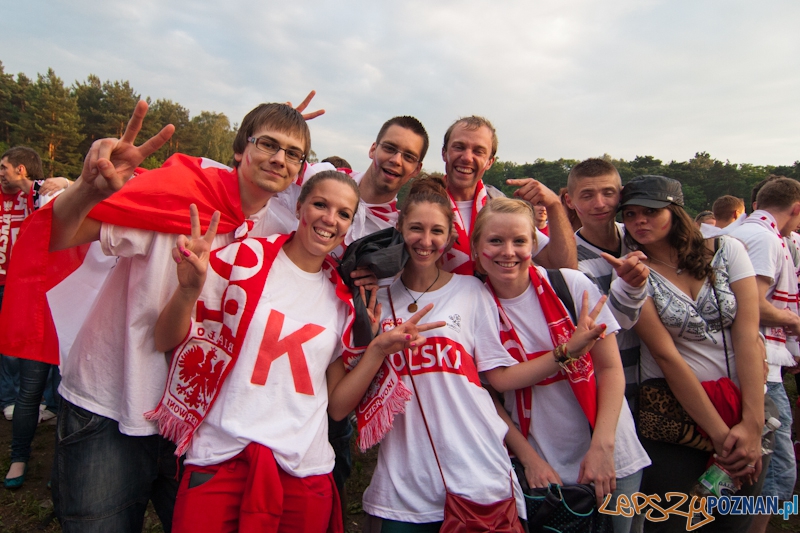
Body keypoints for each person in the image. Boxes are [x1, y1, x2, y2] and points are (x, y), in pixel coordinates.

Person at [0, 99, 324, 531]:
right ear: (239, 149)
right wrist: (89, 189)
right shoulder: (180, 195)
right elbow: (57, 237)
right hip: (110, 406)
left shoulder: (282, 230)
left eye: (293, 152)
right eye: (268, 143)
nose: (279, 158)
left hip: (196, 423)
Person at [149, 171, 436, 532]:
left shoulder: (342, 300)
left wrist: (376, 350)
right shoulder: (242, 259)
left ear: (350, 225)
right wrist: (189, 290)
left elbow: (337, 406)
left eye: (343, 214)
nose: (330, 219)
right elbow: (165, 340)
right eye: (320, 204)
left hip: (303, 471)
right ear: (299, 207)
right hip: (222, 457)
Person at [471, 197, 650, 533]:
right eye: (495, 241)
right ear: (476, 248)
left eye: (519, 241)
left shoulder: (570, 285)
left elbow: (610, 370)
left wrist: (602, 446)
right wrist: (529, 458)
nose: (507, 252)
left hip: (612, 451)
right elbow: (496, 384)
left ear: (534, 244)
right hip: (542, 460)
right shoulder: (474, 303)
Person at [618, 175, 764, 532]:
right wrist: (719, 434)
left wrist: (752, 424)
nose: (640, 221)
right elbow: (666, 355)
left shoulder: (728, 250)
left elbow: (747, 334)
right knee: (676, 522)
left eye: (651, 212)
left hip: (742, 403)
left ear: (675, 211)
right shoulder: (634, 273)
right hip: (676, 418)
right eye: (631, 213)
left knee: (734, 522)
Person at [729, 178, 800, 533]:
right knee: (776, 467)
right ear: (796, 208)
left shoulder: (750, 231)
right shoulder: (764, 239)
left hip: (757, 362)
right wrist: (794, 321)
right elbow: (752, 305)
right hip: (760, 366)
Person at [0, 147, 65, 489]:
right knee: (29, 389)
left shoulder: (49, 191)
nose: (2, 173)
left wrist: (68, 183)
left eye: (5, 167)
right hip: (31, 303)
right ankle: (18, 457)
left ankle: (64, 469)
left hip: (63, 307)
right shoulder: (30, 194)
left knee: (68, 395)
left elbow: (78, 193)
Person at [438, 115, 577, 274]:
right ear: (444, 153)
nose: (467, 158)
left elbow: (564, 268)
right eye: (459, 147)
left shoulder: (501, 205)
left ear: (490, 162)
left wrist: (554, 205)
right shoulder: (423, 205)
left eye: (478, 151)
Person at [563, 158, 650, 408]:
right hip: (612, 393)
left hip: (659, 385)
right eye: (587, 195)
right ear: (570, 201)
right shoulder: (570, 260)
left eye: (608, 193)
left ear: (620, 195)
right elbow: (608, 327)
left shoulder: (640, 239)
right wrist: (628, 286)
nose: (599, 204)